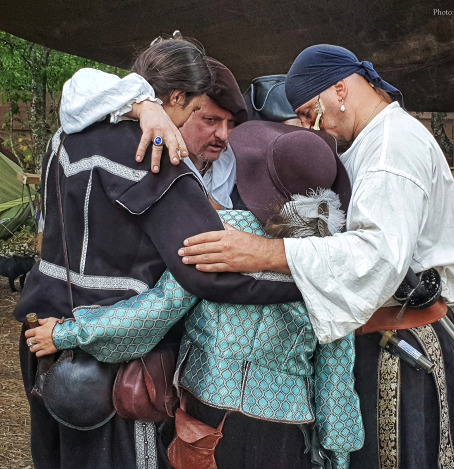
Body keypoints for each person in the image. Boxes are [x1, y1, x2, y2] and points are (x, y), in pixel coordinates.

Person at [177, 45, 454, 469]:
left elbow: (376, 258)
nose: (304, 126)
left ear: (340, 90)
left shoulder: (392, 150)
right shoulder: (368, 139)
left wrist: (263, 251)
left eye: (307, 113)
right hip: (365, 341)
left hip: (400, 348)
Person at [14, 39, 302, 469]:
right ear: (175, 97)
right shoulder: (158, 156)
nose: (185, 123)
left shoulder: (66, 136)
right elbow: (203, 271)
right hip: (114, 363)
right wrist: (303, 280)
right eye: (193, 111)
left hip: (42, 339)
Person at [26, 120, 364, 469]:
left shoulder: (221, 236)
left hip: (207, 418)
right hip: (289, 428)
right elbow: (336, 372)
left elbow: (161, 307)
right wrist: (337, 455)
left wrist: (68, 333)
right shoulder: (332, 261)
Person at [60, 53, 247, 209]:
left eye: (231, 123)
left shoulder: (227, 159)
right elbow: (80, 86)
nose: (223, 135)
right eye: (209, 119)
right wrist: (144, 106)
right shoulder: (136, 142)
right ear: (178, 98)